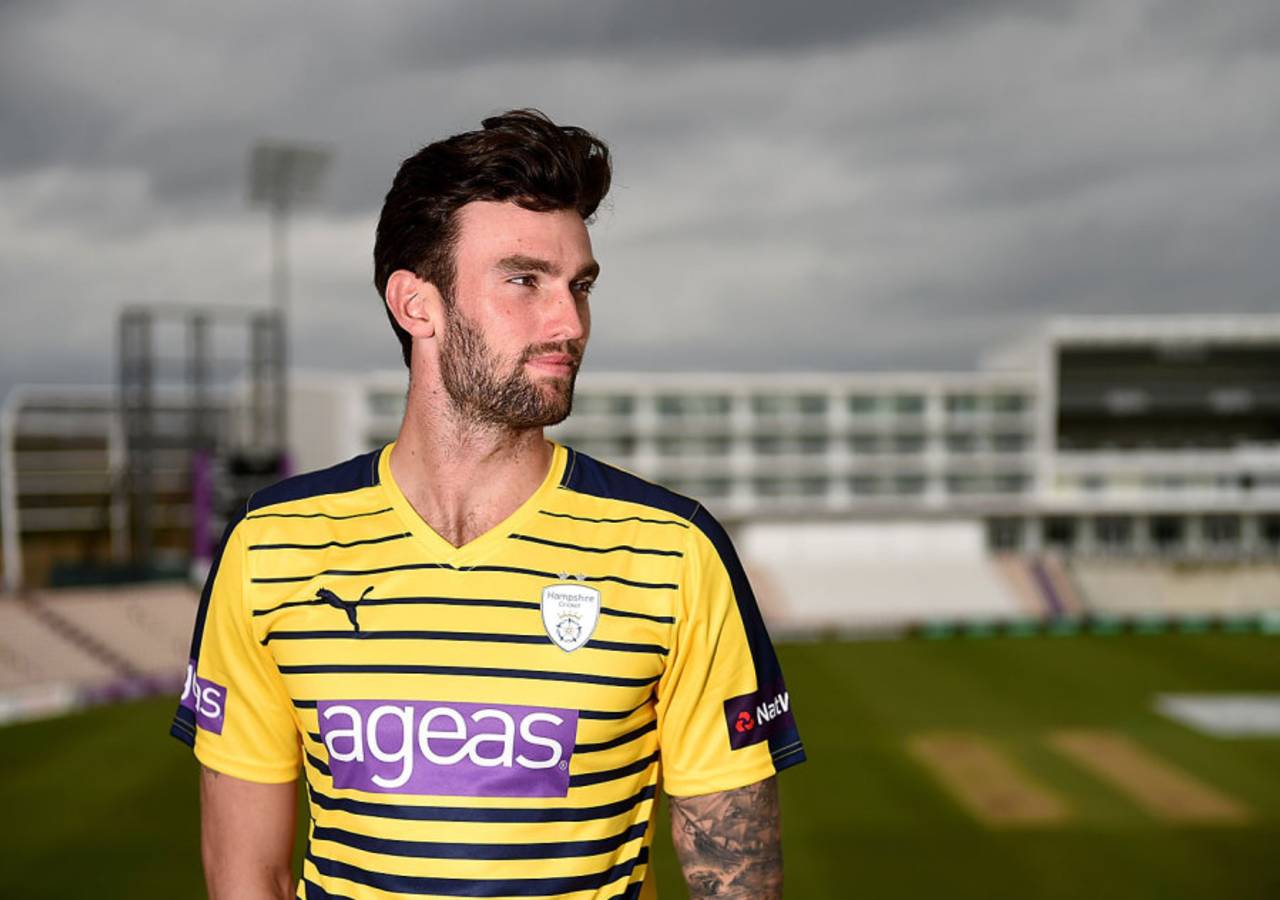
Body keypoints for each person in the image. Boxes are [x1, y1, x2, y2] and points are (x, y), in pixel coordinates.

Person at [172, 108, 805, 900]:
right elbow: (246, 874)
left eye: (580, 287)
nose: (568, 323)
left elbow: (737, 883)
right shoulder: (271, 545)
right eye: (524, 280)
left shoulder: (674, 549)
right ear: (416, 304)